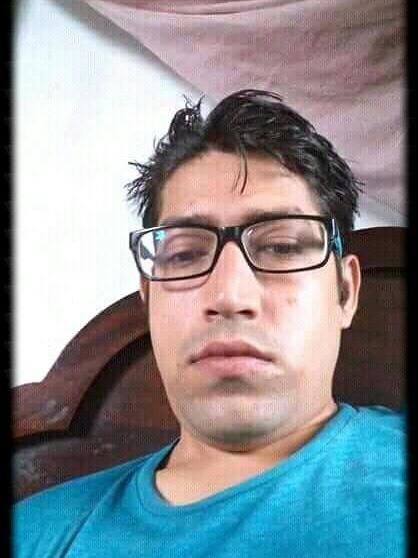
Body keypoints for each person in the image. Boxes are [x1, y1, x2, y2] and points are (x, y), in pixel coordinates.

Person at [13, 89, 405, 557]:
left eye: (281, 247)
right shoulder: (34, 535)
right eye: (185, 255)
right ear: (149, 298)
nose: (229, 296)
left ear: (345, 291)